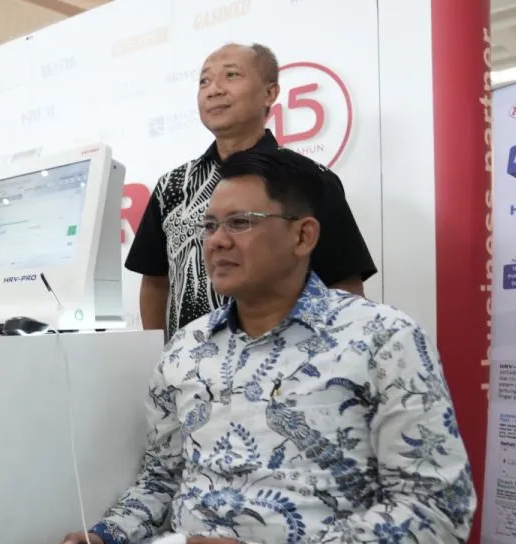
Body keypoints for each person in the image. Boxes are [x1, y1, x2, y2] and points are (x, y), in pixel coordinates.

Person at [0, 149, 475, 544]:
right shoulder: (189, 348)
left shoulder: (381, 337)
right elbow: (161, 478)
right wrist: (107, 535)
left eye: (241, 223)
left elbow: (437, 509)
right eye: (209, 226)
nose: (216, 241)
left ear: (303, 235)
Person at [126, 42, 376, 339]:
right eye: (204, 81)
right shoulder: (172, 186)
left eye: (231, 75)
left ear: (270, 93)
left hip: (285, 360)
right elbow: (155, 283)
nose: (214, 89)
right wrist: (161, 354)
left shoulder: (309, 180)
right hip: (190, 362)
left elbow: (344, 285)